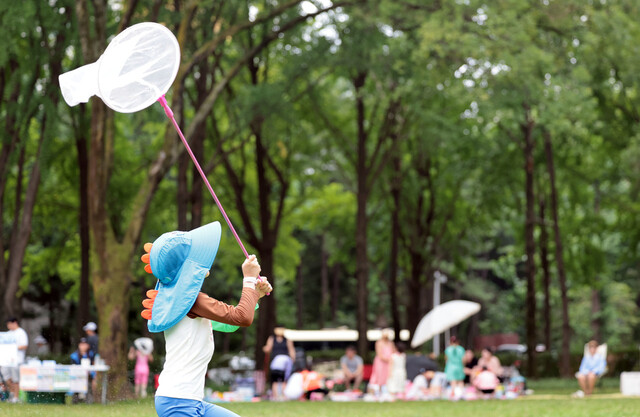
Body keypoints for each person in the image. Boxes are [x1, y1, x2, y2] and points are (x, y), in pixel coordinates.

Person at [140, 221, 272, 417]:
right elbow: (242, 317)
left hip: (189, 401)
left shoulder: (184, 301)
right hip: (178, 403)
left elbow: (230, 325)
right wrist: (249, 279)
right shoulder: (191, 301)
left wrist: (255, 295)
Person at [263, 324, 295, 400]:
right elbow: (268, 348)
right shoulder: (272, 339)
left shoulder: (287, 340)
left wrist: (292, 361)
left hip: (284, 363)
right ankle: (276, 396)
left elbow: (291, 351)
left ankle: (283, 396)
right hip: (276, 363)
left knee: (283, 380)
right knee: (276, 380)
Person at [1, 317, 28, 403]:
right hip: (6, 360)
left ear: (14, 323)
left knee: (16, 379)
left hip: (17, 360)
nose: (8, 326)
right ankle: (12, 394)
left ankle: (16, 397)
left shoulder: (21, 333)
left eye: (9, 324)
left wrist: (12, 347)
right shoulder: (8, 334)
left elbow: (24, 345)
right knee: (6, 378)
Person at [369, 328, 394, 396]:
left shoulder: (390, 343)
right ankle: (378, 392)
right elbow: (380, 354)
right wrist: (387, 359)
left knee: (388, 376)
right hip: (381, 363)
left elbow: (392, 352)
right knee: (379, 376)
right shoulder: (379, 343)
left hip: (389, 363)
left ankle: (387, 392)